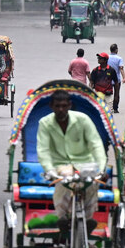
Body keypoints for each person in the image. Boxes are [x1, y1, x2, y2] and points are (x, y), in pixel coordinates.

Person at [36, 90, 107, 238]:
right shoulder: (45, 123)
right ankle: (62, 217)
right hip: (60, 164)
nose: (61, 109)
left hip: (85, 163)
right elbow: (43, 150)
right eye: (57, 106)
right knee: (64, 179)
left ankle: (88, 220)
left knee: (92, 182)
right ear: (51, 106)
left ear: (69, 105)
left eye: (64, 106)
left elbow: (96, 145)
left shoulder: (83, 119)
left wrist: (101, 168)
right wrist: (49, 170)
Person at [107, 44, 125, 113]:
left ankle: (108, 107)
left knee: (108, 94)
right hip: (117, 80)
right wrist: (124, 77)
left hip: (108, 79)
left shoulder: (107, 57)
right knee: (116, 94)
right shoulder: (119, 58)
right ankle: (115, 108)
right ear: (116, 50)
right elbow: (121, 68)